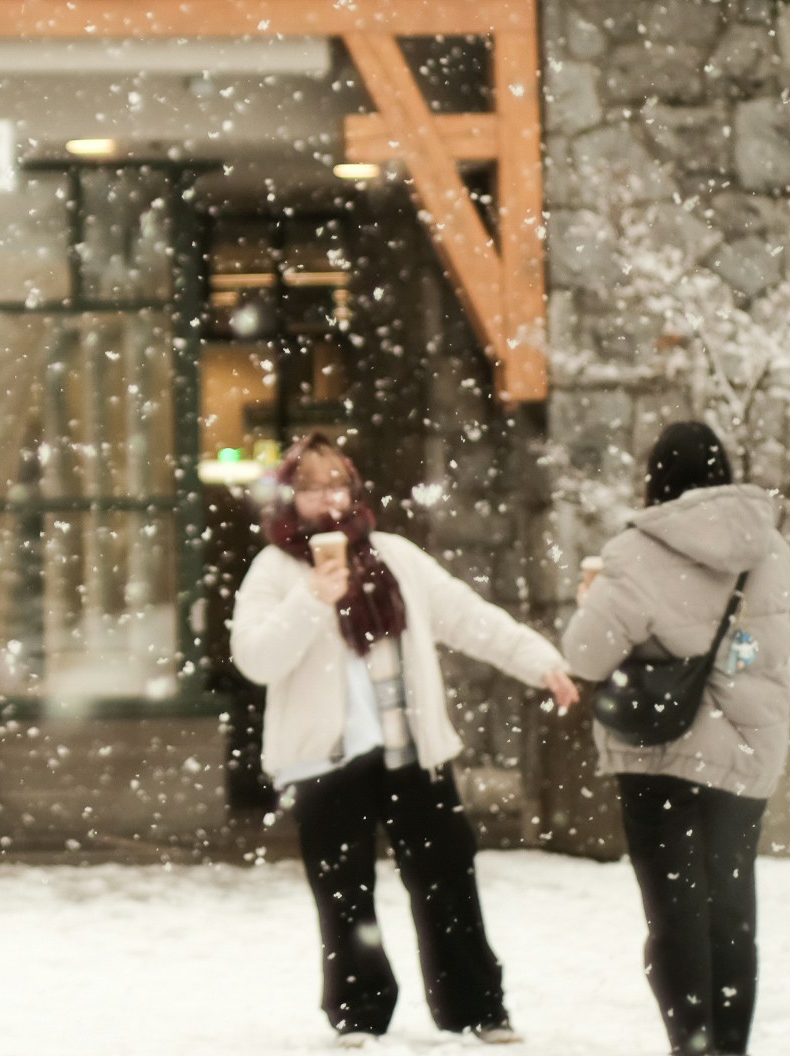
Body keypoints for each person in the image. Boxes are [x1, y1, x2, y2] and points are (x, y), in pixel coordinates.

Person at [232, 434, 579, 1049]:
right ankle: (359, 1014)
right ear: (292, 497)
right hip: (326, 759)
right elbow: (256, 658)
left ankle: (477, 1008)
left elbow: (467, 615)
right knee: (344, 894)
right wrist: (314, 596)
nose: (326, 498)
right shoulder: (274, 568)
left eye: (336, 483)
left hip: (410, 748)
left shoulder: (393, 556)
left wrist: (538, 660)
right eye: (311, 487)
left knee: (448, 877)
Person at [563, 422, 790, 1056]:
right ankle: (728, 1045)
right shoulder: (770, 548)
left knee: (675, 917)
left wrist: (592, 599)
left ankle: (691, 1046)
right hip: (748, 750)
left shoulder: (636, 552)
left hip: (662, 755)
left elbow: (584, 655)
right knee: (730, 913)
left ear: (656, 480)